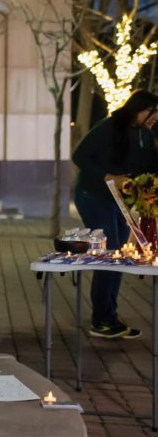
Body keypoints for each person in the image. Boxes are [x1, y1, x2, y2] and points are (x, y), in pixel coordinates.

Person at [72, 89, 158, 339]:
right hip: (94, 196)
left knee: (119, 254)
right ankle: (101, 320)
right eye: (153, 113)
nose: (156, 118)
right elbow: (80, 156)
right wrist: (106, 176)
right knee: (109, 254)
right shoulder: (109, 126)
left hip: (117, 199)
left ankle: (109, 316)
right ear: (140, 109)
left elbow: (149, 164)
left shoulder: (144, 133)